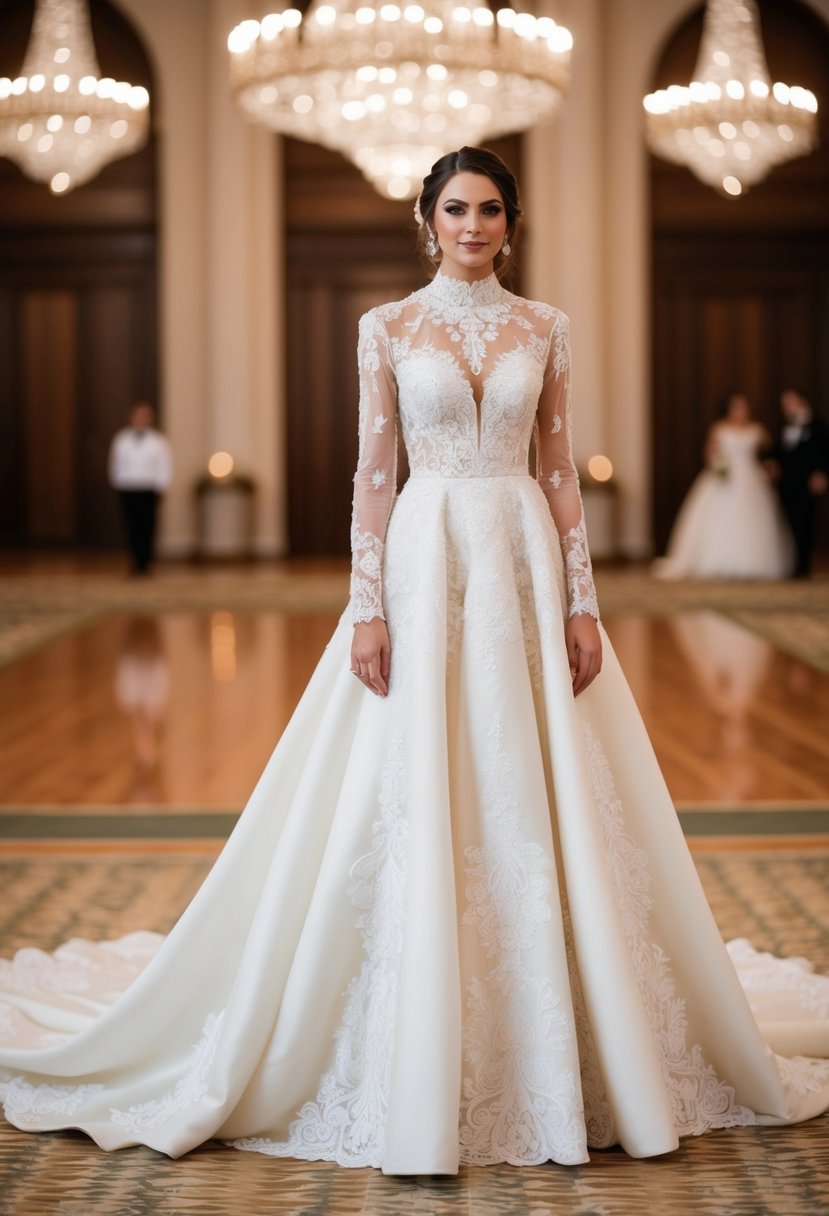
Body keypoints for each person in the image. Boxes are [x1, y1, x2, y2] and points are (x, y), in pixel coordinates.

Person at [1, 148, 828, 1175]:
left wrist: (581, 601)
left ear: (509, 224)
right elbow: (373, 472)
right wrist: (365, 606)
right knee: (417, 768)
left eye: (488, 210)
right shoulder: (385, 327)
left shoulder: (547, 327)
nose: (471, 225)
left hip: (521, 550)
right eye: (454, 208)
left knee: (539, 777)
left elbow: (559, 470)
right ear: (424, 217)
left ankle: (561, 1022)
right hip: (426, 548)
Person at [655, 392, 792, 579]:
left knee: (752, 519)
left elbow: (774, 451)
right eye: (737, 407)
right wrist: (718, 466)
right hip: (725, 478)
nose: (741, 411)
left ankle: (753, 562)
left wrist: (770, 464)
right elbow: (710, 454)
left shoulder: (756, 430)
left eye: (744, 406)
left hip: (751, 477)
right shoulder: (719, 428)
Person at [764, 389, 829, 578]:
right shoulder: (783, 425)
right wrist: (771, 464)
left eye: (790, 402)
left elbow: (825, 452)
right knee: (790, 522)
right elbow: (777, 451)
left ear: (802, 402)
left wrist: (822, 474)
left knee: (807, 522)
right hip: (787, 483)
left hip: (808, 482)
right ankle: (793, 563)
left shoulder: (818, 425)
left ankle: (804, 564)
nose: (786, 407)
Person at [108, 402, 173, 575]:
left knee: (148, 526)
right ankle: (135, 560)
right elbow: (115, 463)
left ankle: (146, 561)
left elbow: (164, 465)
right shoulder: (121, 439)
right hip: (128, 486)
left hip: (148, 487)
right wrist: (117, 481)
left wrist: (162, 485)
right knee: (132, 525)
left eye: (145, 416)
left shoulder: (159, 441)